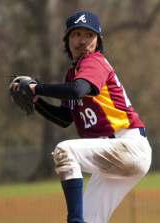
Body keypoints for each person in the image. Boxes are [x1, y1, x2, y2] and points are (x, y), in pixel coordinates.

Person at [14, 11, 152, 223]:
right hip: (111, 154)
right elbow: (64, 118)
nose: (82, 40)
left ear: (99, 41)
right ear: (67, 40)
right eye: (76, 33)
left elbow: (78, 90)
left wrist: (36, 88)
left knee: (65, 151)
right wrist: (36, 101)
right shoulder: (74, 74)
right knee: (91, 219)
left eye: (90, 35)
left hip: (127, 145)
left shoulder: (93, 62)